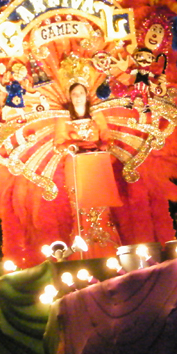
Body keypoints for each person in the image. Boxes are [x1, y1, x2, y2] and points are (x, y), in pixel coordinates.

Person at [54, 83, 122, 254]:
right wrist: (71, 148)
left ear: (86, 95)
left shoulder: (96, 115)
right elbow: (58, 144)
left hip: (96, 164)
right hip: (76, 166)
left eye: (81, 93)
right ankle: (83, 251)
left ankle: (107, 249)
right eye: (74, 93)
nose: (78, 96)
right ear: (70, 97)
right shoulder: (63, 118)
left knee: (102, 207)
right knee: (80, 207)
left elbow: (106, 137)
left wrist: (103, 146)